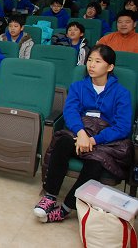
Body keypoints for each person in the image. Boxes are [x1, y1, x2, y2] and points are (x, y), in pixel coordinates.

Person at [35, 45, 132, 223]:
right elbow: (70, 111)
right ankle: (50, 196)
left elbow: (123, 126)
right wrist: (81, 133)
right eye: (89, 60)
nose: (91, 65)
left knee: (96, 161)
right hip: (80, 133)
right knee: (62, 143)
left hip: (105, 140)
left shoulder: (121, 93)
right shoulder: (78, 86)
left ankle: (65, 208)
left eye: (97, 61)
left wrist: (94, 139)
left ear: (110, 67)